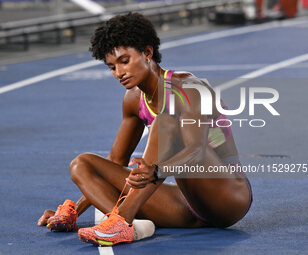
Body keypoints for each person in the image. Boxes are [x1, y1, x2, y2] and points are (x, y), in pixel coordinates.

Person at [37, 12, 253, 246]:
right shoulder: (132, 100)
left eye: (124, 61)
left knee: (165, 121)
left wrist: (157, 171)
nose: (119, 73)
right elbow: (116, 160)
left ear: (147, 53)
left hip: (228, 197)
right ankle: (126, 224)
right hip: (187, 206)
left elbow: (197, 152)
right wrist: (75, 212)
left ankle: (121, 220)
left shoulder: (187, 88)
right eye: (111, 67)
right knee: (82, 165)